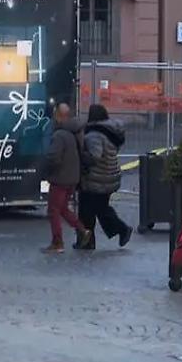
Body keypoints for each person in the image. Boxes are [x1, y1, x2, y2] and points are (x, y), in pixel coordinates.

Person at [75, 103, 132, 249]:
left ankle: (91, 240)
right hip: (109, 176)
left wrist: (81, 155)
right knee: (101, 209)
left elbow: (95, 156)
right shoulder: (110, 132)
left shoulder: (94, 134)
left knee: (87, 211)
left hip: (96, 178)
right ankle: (117, 231)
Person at [40, 103, 92, 254]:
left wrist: (47, 171)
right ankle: (82, 230)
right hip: (72, 178)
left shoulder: (59, 135)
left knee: (53, 210)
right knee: (62, 208)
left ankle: (58, 242)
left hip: (60, 179)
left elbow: (53, 157)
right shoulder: (74, 133)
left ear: (58, 115)